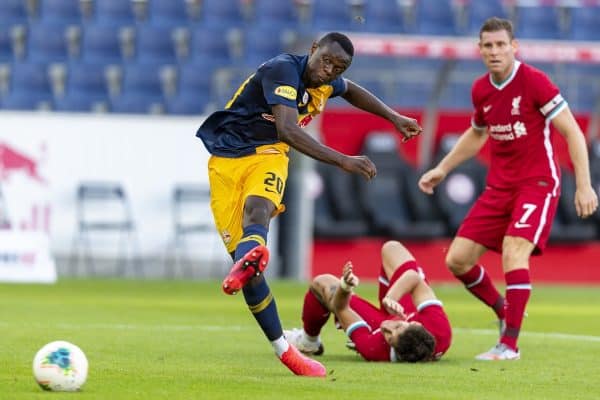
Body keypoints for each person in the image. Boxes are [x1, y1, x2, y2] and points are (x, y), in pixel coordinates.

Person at [195, 32, 422, 376]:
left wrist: (393, 117)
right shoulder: (282, 70)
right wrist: (343, 160)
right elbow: (287, 128)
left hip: (268, 155)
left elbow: (352, 91)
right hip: (226, 160)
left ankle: (286, 349)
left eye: (338, 67)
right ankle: (251, 262)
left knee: (260, 207)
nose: (329, 71)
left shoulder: (326, 81)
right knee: (252, 275)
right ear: (313, 50)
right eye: (326, 61)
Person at [418, 17, 599, 361]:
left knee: (514, 251)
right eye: (488, 45)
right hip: (499, 187)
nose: (495, 51)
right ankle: (505, 309)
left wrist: (584, 186)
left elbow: (573, 131)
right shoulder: (481, 89)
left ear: (514, 47)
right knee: (457, 260)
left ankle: (509, 345)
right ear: (480, 50)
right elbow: (477, 133)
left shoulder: (535, 82)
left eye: (502, 45)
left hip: (538, 183)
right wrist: (442, 168)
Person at [285, 240, 452, 362]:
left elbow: (340, 308)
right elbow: (414, 278)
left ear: (394, 350)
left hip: (373, 325)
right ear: (416, 324)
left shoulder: (373, 347)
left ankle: (309, 341)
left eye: (388, 337)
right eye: (396, 327)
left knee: (323, 282)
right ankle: (393, 305)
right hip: (401, 308)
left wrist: (345, 287)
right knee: (392, 248)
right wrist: (391, 297)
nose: (386, 327)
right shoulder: (440, 329)